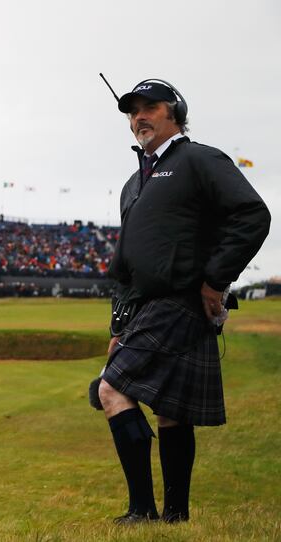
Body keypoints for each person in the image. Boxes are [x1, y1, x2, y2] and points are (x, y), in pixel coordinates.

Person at [98, 79, 271, 524]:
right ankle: (174, 517)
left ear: (175, 112)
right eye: (133, 111)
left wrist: (216, 281)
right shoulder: (133, 185)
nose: (139, 116)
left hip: (180, 300)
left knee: (112, 389)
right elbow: (125, 264)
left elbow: (252, 215)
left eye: (150, 107)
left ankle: (142, 512)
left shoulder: (199, 159)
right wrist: (118, 326)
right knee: (171, 411)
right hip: (144, 305)